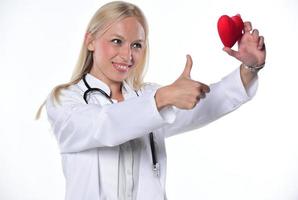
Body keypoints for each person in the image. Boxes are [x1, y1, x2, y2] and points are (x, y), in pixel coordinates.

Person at [42, 1, 266, 200]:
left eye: (136, 45)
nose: (128, 55)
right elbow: (104, 125)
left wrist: (249, 68)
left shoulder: (146, 95)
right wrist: (163, 98)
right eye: (117, 41)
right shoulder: (64, 100)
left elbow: (205, 105)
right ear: (90, 41)